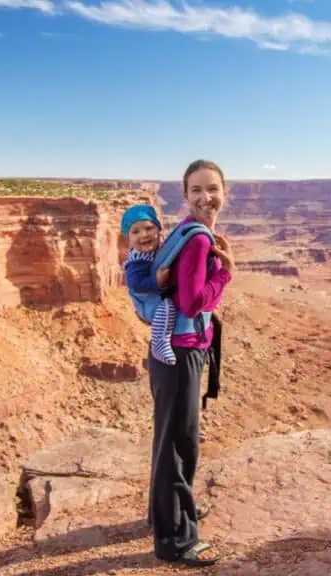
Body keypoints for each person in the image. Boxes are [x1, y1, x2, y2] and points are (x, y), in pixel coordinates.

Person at [148, 159, 235, 567]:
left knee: (170, 440)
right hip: (181, 351)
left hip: (170, 350)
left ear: (225, 192)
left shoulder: (186, 231)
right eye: (197, 190)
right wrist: (226, 275)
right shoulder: (199, 240)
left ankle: (168, 514)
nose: (206, 197)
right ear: (185, 196)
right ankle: (175, 540)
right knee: (180, 445)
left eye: (212, 189)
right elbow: (192, 302)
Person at [120, 204, 177, 365]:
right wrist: (156, 282)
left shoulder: (156, 248)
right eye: (136, 231)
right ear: (128, 239)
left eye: (149, 228)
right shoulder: (137, 261)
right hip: (147, 304)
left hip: (152, 298)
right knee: (168, 307)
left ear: (159, 230)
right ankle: (159, 343)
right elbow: (135, 285)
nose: (144, 235)